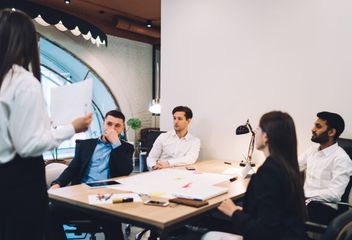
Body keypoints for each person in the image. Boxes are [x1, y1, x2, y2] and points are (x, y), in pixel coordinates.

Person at [0, 9, 92, 240]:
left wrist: (40, 125)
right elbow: (28, 145)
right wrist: (73, 127)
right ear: (27, 41)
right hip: (18, 180)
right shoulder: (22, 81)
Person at [202, 111, 306, 240]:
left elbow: (265, 230)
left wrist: (234, 212)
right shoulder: (289, 168)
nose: (255, 134)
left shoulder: (269, 173)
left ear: (266, 136)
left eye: (257, 130)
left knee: (208, 236)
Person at [48, 110, 134, 240]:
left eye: (117, 126)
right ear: (103, 124)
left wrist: (116, 143)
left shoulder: (125, 148)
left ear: (122, 128)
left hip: (107, 199)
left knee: (113, 226)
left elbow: (125, 171)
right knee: (48, 212)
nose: (112, 128)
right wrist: (58, 183)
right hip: (81, 197)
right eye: (109, 124)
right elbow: (72, 169)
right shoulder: (85, 145)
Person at [299, 111, 352, 224]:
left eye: (318, 126)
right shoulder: (312, 150)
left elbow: (335, 194)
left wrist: (306, 195)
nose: (313, 129)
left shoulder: (341, 159)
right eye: (314, 125)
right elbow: (293, 167)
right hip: (305, 205)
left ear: (331, 132)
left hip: (324, 209)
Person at [146, 106, 200, 170]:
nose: (176, 121)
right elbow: (151, 157)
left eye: (179, 119)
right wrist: (154, 166)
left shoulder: (195, 141)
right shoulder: (163, 137)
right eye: (174, 118)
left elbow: (190, 159)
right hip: (160, 172)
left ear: (188, 121)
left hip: (181, 174)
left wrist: (168, 163)